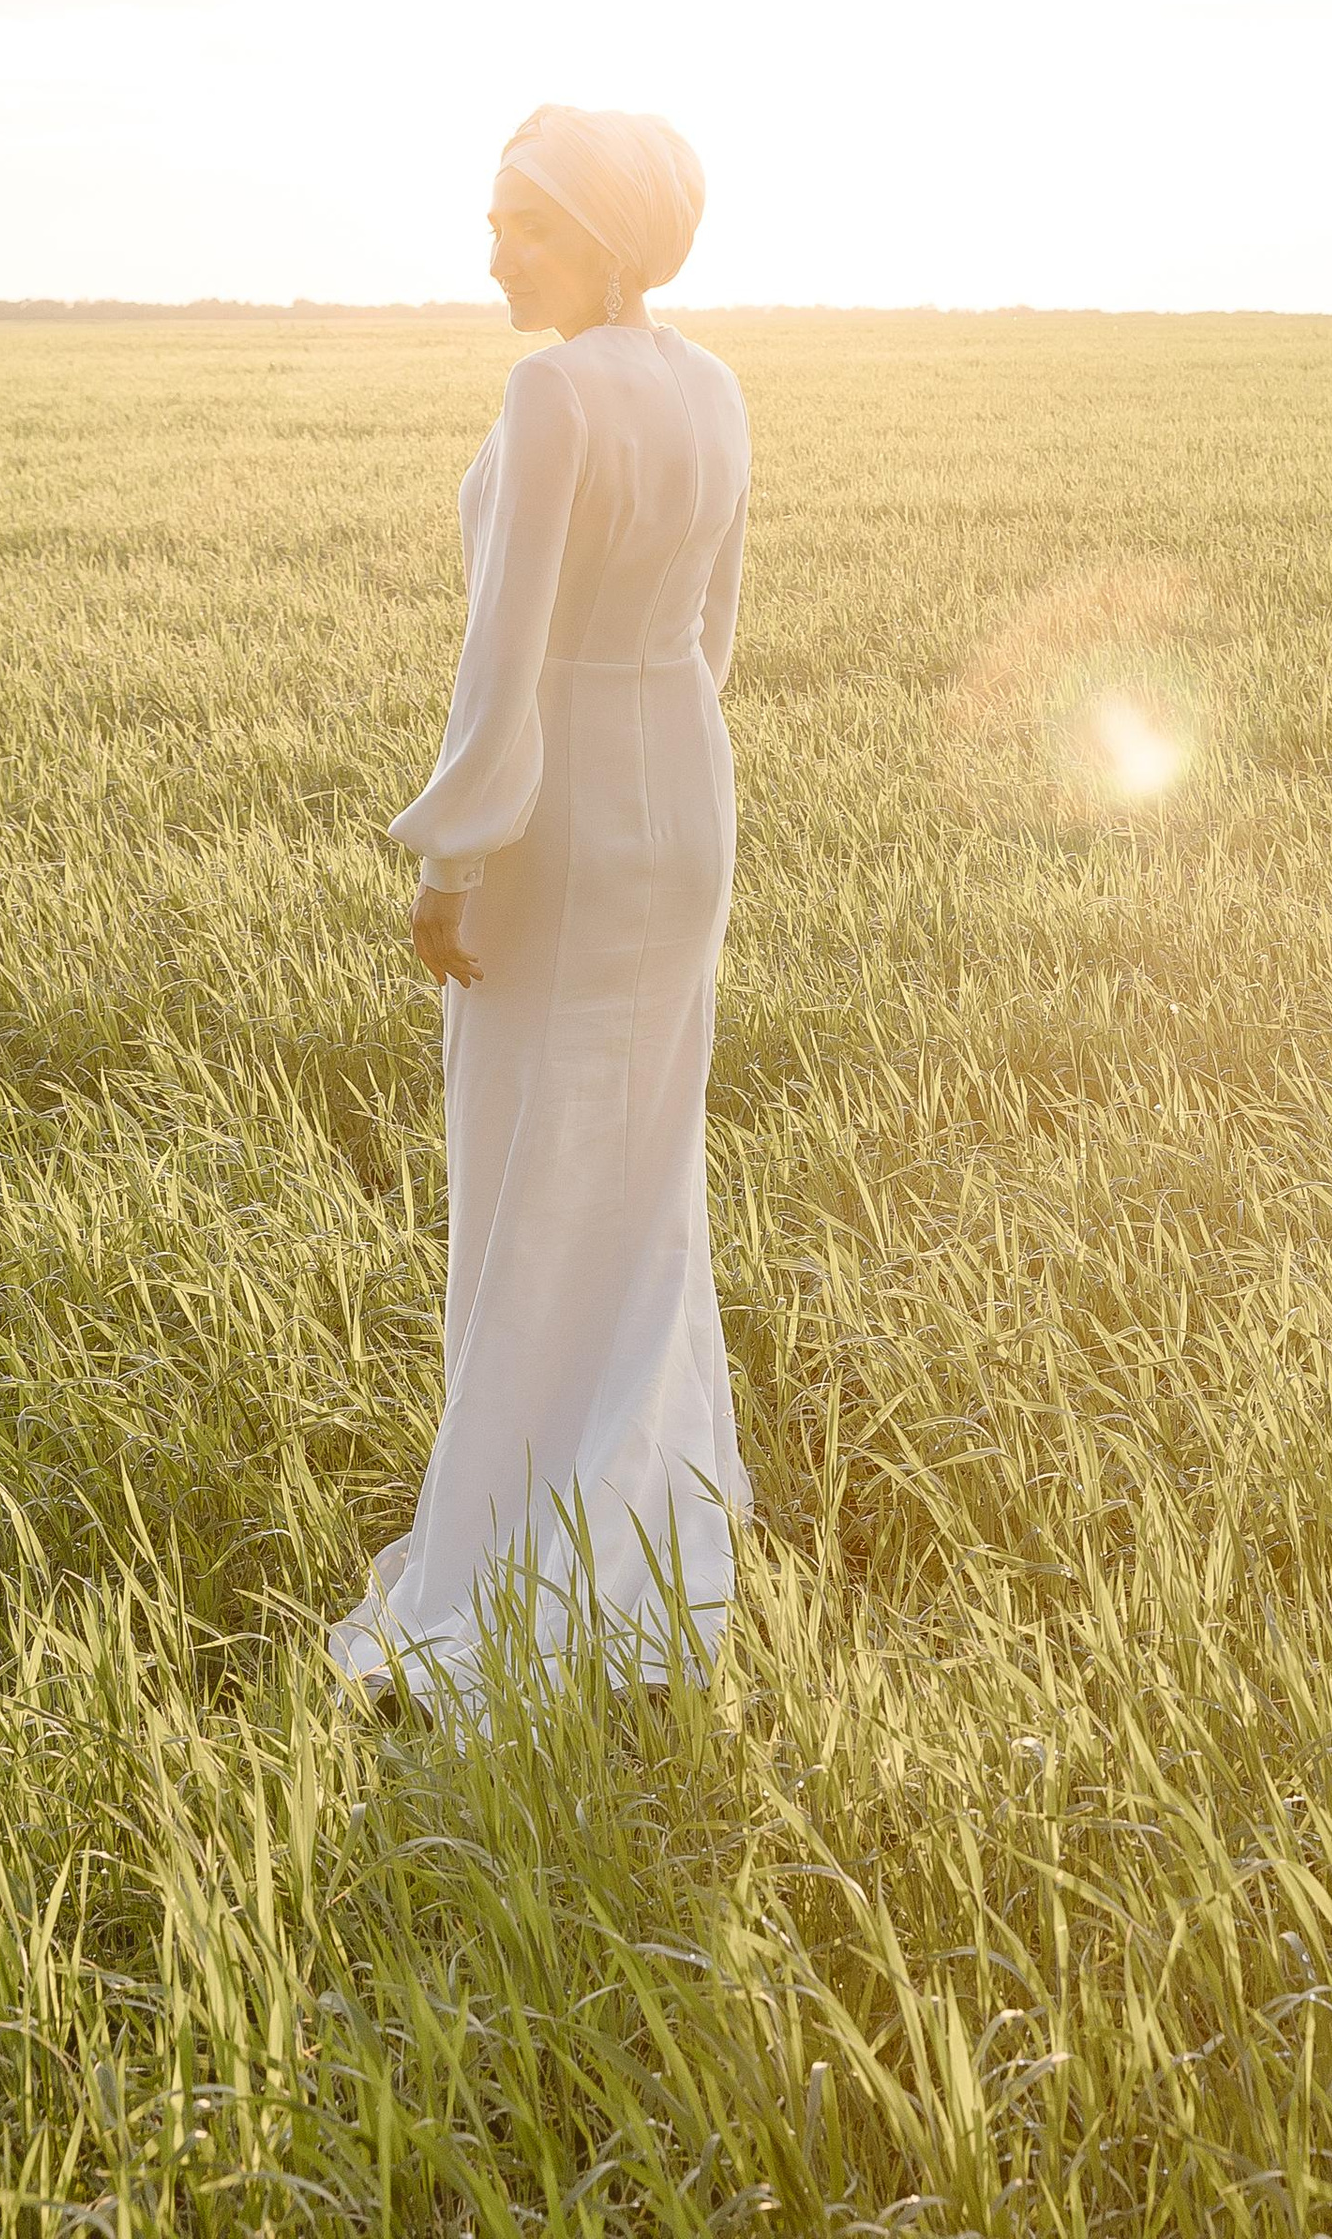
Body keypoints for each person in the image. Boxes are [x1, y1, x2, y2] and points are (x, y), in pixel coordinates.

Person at [329, 104, 752, 1716]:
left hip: (567, 805)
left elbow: (503, 660)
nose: (494, 249)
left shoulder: (553, 388)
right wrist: (657, 761)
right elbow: (714, 629)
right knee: (639, 1168)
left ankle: (508, 1553)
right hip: (680, 789)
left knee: (524, 1176)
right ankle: (647, 1533)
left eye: (528, 224)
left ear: (609, 239)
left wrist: (455, 861)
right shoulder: (712, 386)